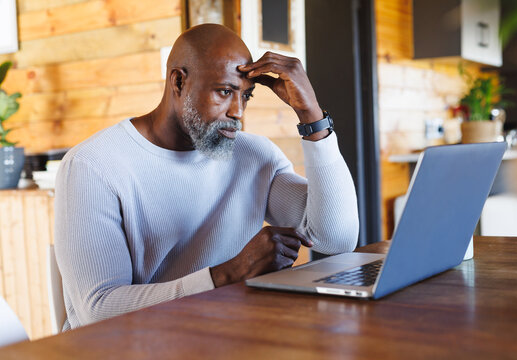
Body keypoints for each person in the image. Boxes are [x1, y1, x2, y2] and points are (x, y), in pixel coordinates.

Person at [54, 23, 359, 330]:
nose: (238, 111)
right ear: (178, 81)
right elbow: (99, 309)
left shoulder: (255, 156)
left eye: (246, 96)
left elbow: (337, 238)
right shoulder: (92, 165)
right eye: (225, 92)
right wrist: (225, 275)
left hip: (224, 336)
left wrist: (312, 117)